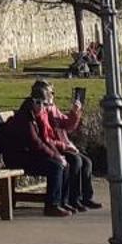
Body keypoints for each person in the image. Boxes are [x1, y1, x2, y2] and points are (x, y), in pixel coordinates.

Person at [0, 96, 74, 217]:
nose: (42, 106)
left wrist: (58, 155)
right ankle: (52, 206)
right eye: (39, 103)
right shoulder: (25, 120)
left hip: (26, 156)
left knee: (64, 164)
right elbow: (36, 144)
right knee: (56, 167)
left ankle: (62, 201)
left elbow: (45, 142)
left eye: (43, 104)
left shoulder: (33, 119)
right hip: (16, 159)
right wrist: (55, 157)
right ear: (33, 105)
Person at [33, 80, 99, 214]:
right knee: (75, 161)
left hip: (61, 145)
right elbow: (47, 137)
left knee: (86, 162)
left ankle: (84, 197)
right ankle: (71, 199)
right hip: (56, 147)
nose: (52, 96)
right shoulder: (43, 110)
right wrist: (64, 146)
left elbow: (67, 125)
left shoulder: (52, 108)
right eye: (50, 93)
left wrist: (75, 112)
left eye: (52, 93)